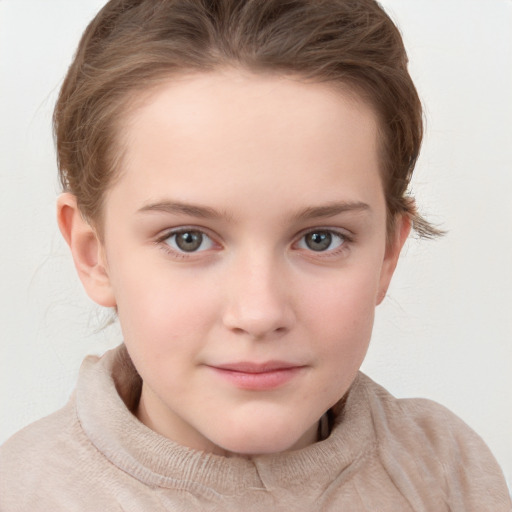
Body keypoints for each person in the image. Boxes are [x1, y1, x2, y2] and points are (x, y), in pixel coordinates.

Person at [0, 0, 510, 510]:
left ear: (387, 255)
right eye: (188, 239)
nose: (260, 313)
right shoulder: (21, 494)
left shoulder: (447, 470)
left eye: (320, 239)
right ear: (95, 255)